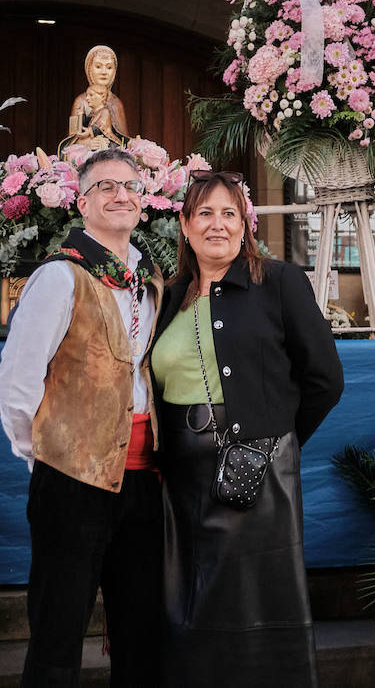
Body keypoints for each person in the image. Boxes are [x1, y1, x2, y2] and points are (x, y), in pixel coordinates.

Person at [149, 170, 344, 687]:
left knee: (253, 604)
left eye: (229, 213)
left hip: (253, 473)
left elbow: (325, 378)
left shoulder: (278, 282)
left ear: (245, 225)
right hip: (179, 481)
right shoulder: (168, 296)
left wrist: (274, 442)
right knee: (189, 603)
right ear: (186, 226)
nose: (218, 224)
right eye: (205, 213)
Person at [0, 147, 164, 687]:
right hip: (71, 480)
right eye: (105, 186)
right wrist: (47, 457)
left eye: (130, 186)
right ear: (82, 203)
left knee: (141, 634)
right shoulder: (60, 278)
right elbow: (15, 382)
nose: (120, 195)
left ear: (144, 202)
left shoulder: (151, 279)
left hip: (145, 478)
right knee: (58, 633)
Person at [60, 44, 130, 153]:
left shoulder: (116, 103)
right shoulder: (81, 101)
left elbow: (124, 141)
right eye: (98, 66)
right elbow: (72, 138)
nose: (104, 72)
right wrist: (86, 143)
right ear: (89, 69)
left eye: (109, 67)